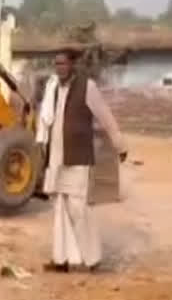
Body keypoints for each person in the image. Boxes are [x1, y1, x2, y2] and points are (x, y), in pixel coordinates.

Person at [36, 48, 128, 273]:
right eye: (56, 64)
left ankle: (92, 258)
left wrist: (120, 144)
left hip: (78, 158)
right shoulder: (53, 88)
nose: (59, 68)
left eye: (63, 64)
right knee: (59, 209)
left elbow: (105, 116)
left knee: (78, 208)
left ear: (73, 65)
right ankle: (61, 260)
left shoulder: (87, 87)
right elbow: (47, 120)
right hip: (57, 158)